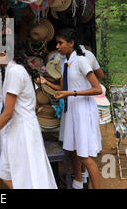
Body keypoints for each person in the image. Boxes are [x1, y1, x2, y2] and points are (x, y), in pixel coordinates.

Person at [0, 40, 57, 189]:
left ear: (5, 53)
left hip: (23, 130)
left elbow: (8, 112)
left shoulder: (15, 72)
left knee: (25, 175)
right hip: (19, 128)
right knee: (6, 172)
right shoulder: (15, 70)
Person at [37, 28, 102, 189]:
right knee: (73, 150)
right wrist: (46, 83)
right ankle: (78, 182)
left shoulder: (81, 61)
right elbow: (62, 87)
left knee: (85, 155)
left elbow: (97, 88)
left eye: (60, 43)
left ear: (71, 43)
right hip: (71, 110)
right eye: (57, 43)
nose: (57, 47)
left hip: (82, 111)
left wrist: (72, 93)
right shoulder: (66, 63)